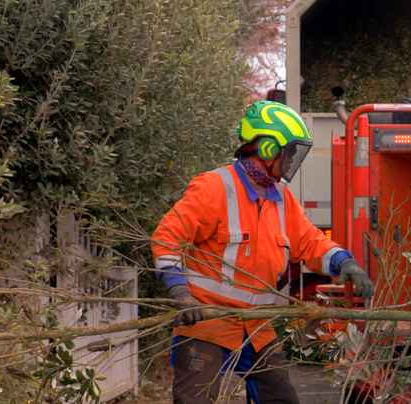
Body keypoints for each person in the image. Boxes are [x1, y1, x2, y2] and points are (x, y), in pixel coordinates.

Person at [152, 101, 374, 404]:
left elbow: (309, 241)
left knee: (281, 397)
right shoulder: (214, 188)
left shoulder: (281, 198)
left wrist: (343, 260)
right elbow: (168, 237)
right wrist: (180, 294)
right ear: (269, 148)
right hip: (206, 324)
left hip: (256, 326)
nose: (293, 158)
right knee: (195, 400)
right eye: (291, 151)